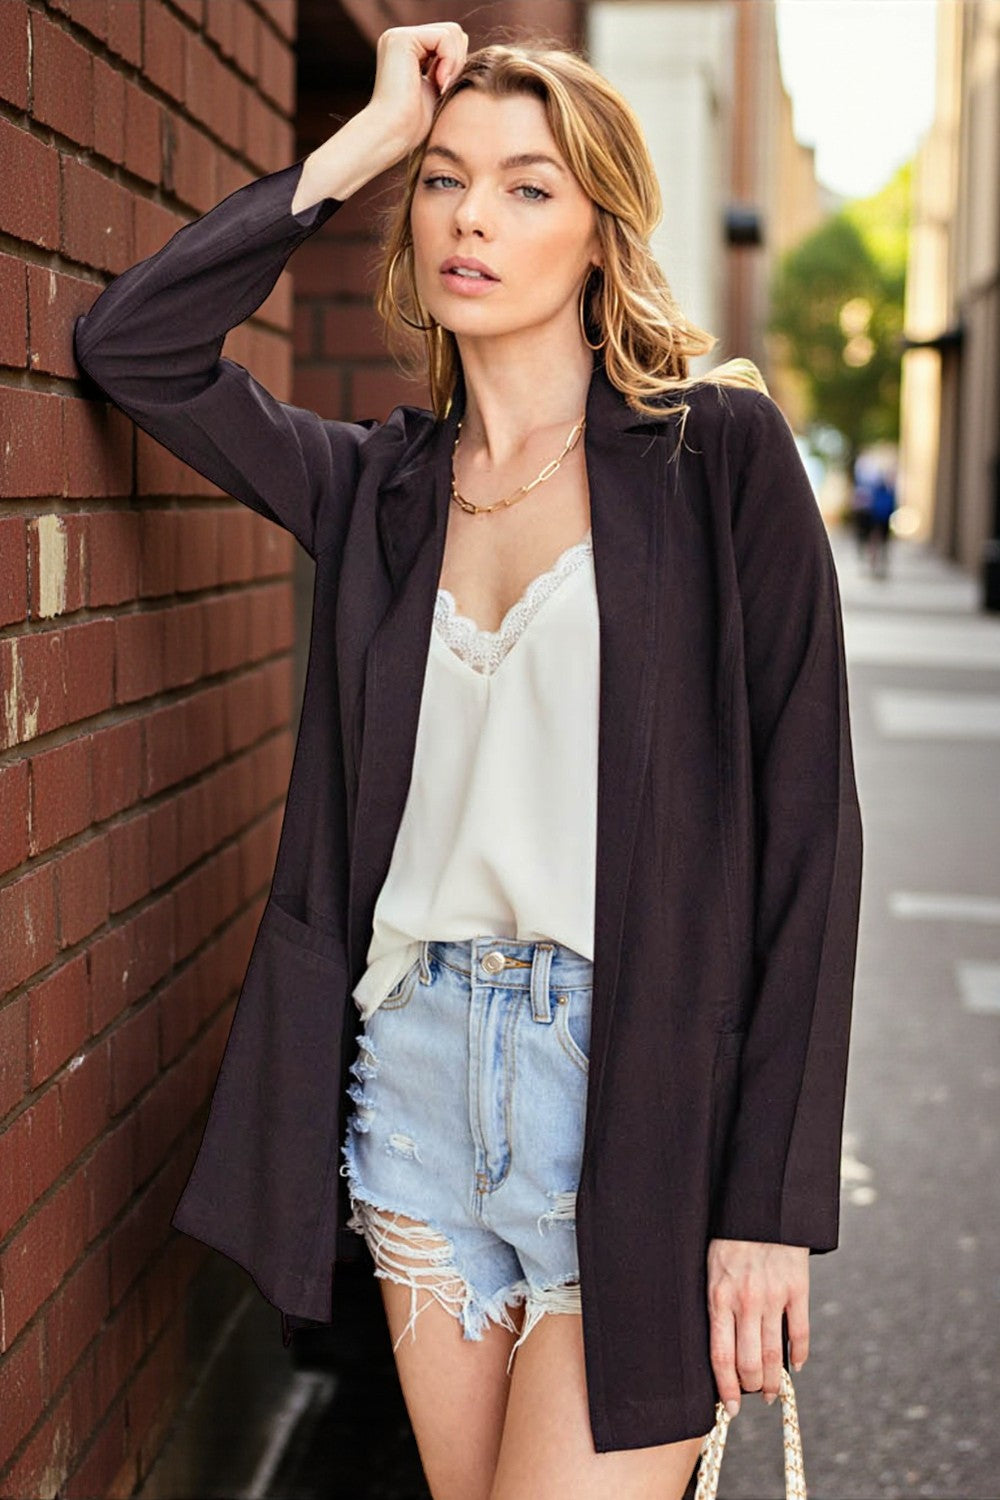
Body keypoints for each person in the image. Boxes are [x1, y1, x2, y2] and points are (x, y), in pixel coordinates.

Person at [73, 22, 864, 1500]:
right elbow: (134, 349)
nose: (473, 220)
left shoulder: (719, 463)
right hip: (420, 1081)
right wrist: (360, 145)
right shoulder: (377, 489)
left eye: (526, 188)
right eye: (445, 184)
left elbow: (813, 845)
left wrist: (768, 1203)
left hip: (633, 1087)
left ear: (601, 232)